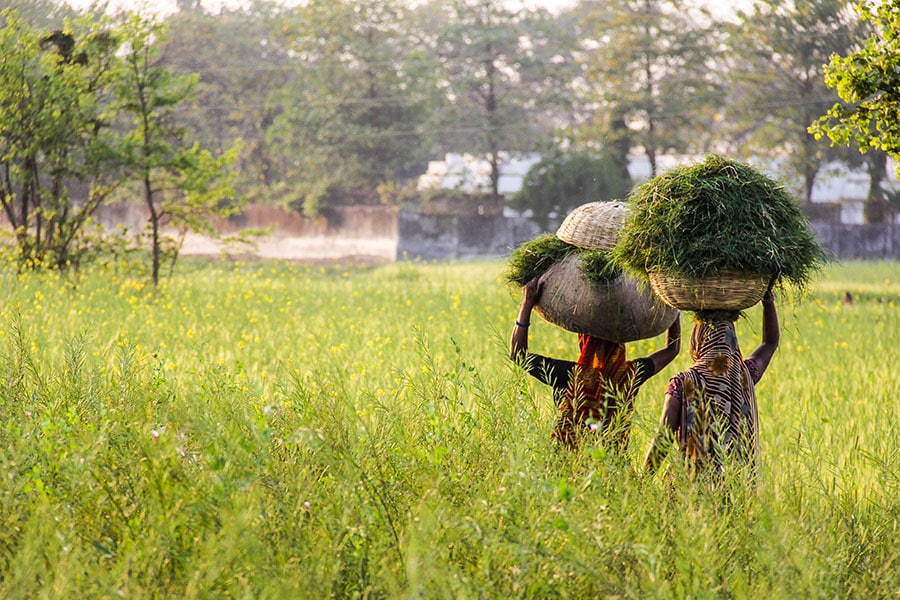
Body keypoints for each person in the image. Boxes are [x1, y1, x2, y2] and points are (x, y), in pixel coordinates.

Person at [510, 277, 681, 451]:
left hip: (569, 467)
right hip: (613, 469)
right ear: (620, 342)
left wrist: (527, 303)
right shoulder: (629, 375)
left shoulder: (569, 375)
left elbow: (518, 354)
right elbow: (673, 349)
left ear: (584, 340)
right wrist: (673, 308)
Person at [643, 288, 779, 479]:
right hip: (732, 490)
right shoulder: (743, 376)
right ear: (732, 341)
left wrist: (643, 478)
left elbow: (663, 438)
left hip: (687, 488)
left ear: (698, 340)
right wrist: (768, 301)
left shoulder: (684, 382)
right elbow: (770, 343)